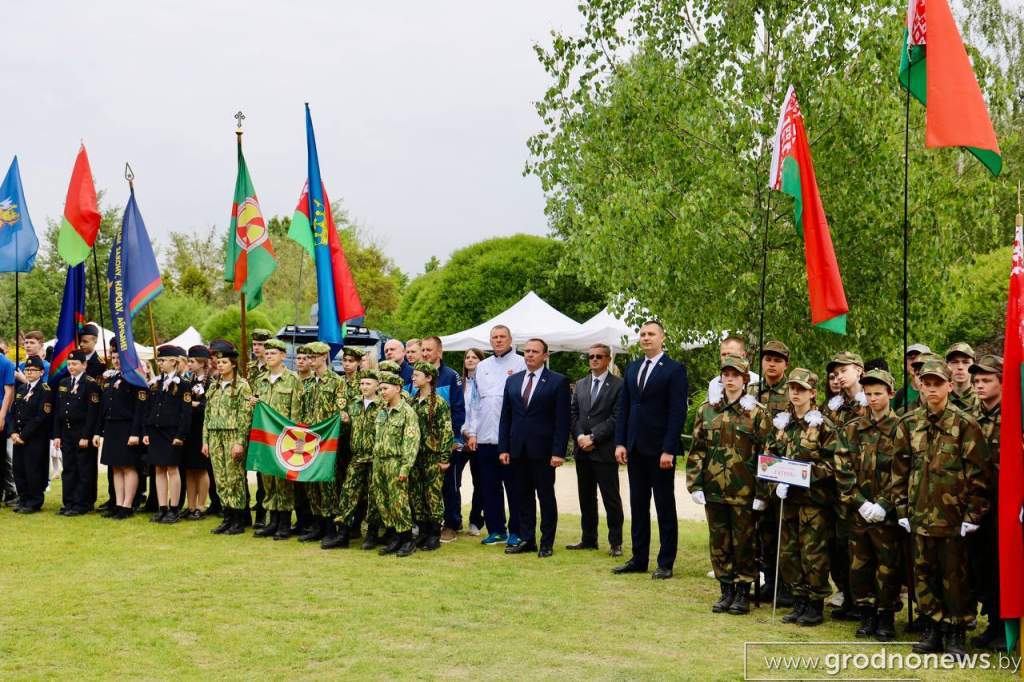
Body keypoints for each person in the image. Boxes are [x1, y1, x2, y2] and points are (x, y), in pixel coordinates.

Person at [898, 359, 989, 656]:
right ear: (920, 387)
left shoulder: (965, 424)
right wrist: (901, 510)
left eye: (938, 383)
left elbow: (979, 473)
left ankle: (956, 632)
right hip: (920, 515)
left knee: (955, 578)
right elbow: (898, 471)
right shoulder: (910, 423)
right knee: (924, 574)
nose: (932, 389)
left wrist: (973, 514)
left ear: (950, 386)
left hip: (953, 518)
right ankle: (932, 628)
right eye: (927, 383)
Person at [686, 354, 770, 614]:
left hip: (744, 492)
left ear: (745, 379)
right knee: (719, 542)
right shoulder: (707, 409)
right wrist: (695, 484)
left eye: (735, 375)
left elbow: (765, 455)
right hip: (714, 489)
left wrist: (762, 492)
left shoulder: (757, 413)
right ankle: (726, 590)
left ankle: (743, 591)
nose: (730, 379)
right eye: (726, 375)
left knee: (744, 543)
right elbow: (697, 450)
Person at [834, 368, 909, 641]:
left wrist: (884, 504)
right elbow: (842, 468)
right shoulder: (854, 427)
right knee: (859, 566)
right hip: (859, 512)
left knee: (887, 567)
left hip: (886, 515)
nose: (873, 398)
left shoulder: (902, 428)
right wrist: (860, 502)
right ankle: (865, 614)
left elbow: (904, 471)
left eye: (879, 393)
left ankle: (885, 616)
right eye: (869, 394)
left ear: (890, 394)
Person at [613, 320, 688, 580]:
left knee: (664, 507)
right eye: (643, 334)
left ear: (662, 338)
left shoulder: (674, 369)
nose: (646, 338)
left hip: (660, 452)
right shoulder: (633, 368)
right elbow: (624, 408)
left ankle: (666, 562)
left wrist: (669, 448)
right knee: (638, 505)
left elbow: (677, 412)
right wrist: (620, 442)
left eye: (651, 334)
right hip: (634, 448)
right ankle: (638, 557)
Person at [771, 368, 839, 627]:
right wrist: (776, 479)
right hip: (787, 501)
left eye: (801, 389)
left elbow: (834, 464)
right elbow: (770, 456)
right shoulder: (782, 424)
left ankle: (815, 603)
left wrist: (803, 475)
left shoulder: (822, 425)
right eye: (792, 388)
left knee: (814, 553)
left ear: (813, 392)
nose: (796, 393)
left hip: (813, 501)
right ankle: (798, 599)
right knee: (789, 553)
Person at [497, 338, 569, 557]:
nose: (529, 355)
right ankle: (527, 539)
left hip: (544, 451)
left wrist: (558, 451)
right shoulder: (513, 381)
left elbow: (562, 420)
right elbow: (506, 418)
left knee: (546, 497)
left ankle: (547, 542)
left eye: (534, 352)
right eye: (526, 351)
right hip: (518, 450)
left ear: (545, 356)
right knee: (522, 497)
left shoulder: (558, 381)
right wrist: (504, 448)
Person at [464, 325, 526, 547]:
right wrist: (471, 431)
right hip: (483, 436)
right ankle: (496, 529)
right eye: (494, 337)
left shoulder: (520, 363)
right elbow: (474, 403)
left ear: (510, 339)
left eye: (502, 337)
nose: (498, 341)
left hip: (508, 438)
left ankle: (517, 530)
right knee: (489, 486)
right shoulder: (483, 366)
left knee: (514, 486)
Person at [822, 351, 867, 622]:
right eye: (835, 372)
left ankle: (865, 603)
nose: (839, 376)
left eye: (844, 370)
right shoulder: (833, 407)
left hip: (862, 488)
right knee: (838, 547)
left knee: (861, 549)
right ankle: (847, 597)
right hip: (834, 489)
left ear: (859, 370)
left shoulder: (870, 401)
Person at [568, 343, 625, 556]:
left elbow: (617, 417)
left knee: (611, 498)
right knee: (586, 497)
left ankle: (615, 542)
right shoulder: (581, 385)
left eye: (599, 356)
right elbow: (573, 413)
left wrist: (594, 437)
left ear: (608, 359)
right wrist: (581, 436)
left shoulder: (619, 385)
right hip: (583, 451)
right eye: (590, 356)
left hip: (604, 450)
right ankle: (588, 538)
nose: (594, 359)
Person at [747, 339, 791, 603]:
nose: (771, 364)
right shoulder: (752, 390)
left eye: (777, 360)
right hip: (754, 465)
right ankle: (768, 580)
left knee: (781, 528)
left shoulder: (792, 391)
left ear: (785, 363)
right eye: (767, 359)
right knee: (761, 530)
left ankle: (785, 585)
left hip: (779, 466)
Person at [968, 354, 1005, 651]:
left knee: (1004, 566)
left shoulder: (1015, 416)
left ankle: (1007, 627)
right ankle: (993, 622)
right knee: (983, 565)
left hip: (1006, 505)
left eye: (986, 380)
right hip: (978, 504)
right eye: (976, 380)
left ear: (1002, 382)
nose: (979, 385)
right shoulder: (971, 416)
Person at [249, 338, 303, 540]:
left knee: (283, 481)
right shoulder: (260, 380)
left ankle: (284, 523)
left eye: (273, 353)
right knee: (267, 479)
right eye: (267, 353)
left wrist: (295, 440)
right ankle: (272, 520)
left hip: (284, 439)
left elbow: (296, 412)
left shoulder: (293, 380)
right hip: (264, 438)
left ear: (283, 356)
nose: (269, 356)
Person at [204, 341, 254, 536]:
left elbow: (245, 415)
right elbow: (207, 415)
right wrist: (205, 440)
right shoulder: (214, 386)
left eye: (224, 361)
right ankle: (227, 516)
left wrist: (240, 441)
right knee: (221, 479)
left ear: (233, 364)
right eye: (218, 362)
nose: (220, 365)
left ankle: (239, 518)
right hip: (215, 435)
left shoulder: (242, 386)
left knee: (235, 478)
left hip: (233, 435)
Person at [418, 336, 466, 543]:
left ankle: (452, 524)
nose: (426, 353)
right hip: (421, 445)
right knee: (424, 486)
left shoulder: (450, 376)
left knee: (449, 485)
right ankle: (427, 524)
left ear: (440, 352)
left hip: (445, 443)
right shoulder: (417, 375)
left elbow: (458, 410)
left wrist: (452, 439)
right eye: (424, 350)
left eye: (430, 350)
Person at [300, 342, 346, 547]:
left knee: (328, 485)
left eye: (313, 358)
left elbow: (341, 409)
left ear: (323, 357)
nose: (309, 361)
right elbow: (301, 411)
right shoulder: (307, 383)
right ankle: (317, 524)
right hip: (309, 440)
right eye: (308, 357)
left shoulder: (337, 382)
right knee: (311, 483)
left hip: (327, 441)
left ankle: (330, 527)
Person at [372, 371, 421, 557]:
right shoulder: (382, 410)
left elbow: (411, 442)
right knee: (383, 502)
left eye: (385, 388)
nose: (382, 392)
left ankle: (407, 538)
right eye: (380, 389)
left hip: (396, 462)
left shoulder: (407, 412)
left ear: (398, 388)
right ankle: (394, 537)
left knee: (399, 502)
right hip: (379, 462)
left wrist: (405, 468)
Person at [94, 344, 146, 520]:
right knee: (115, 467)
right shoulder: (110, 377)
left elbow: (140, 408)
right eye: (114, 358)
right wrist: (98, 431)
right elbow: (103, 406)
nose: (116, 361)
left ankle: (128, 505)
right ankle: (118, 503)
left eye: (119, 358)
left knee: (128, 466)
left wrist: (135, 433)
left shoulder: (134, 378)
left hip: (127, 426)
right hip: (111, 426)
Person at [333, 369, 382, 549]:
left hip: (375, 458)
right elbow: (346, 431)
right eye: (362, 383)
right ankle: (343, 533)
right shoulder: (353, 404)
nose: (364, 387)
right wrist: (344, 423)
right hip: (357, 457)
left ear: (377, 385)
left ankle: (372, 534)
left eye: (368, 383)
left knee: (373, 496)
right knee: (348, 493)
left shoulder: (383, 405)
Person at [143, 346, 193, 524]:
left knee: (172, 469)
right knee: (158, 469)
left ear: (173, 361)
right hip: (156, 432)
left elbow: (185, 413)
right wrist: (147, 431)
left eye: (163, 360)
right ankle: (162, 507)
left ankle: (174, 508)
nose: (160, 364)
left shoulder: (183, 384)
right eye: (159, 361)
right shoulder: (156, 383)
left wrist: (180, 435)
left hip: (171, 433)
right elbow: (150, 409)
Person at [409, 361, 454, 551]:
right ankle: (424, 531)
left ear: (429, 378)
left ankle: (435, 533)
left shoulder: (439, 403)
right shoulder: (412, 400)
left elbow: (446, 432)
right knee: (417, 495)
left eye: (417, 375)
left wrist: (444, 458)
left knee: (432, 495)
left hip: (432, 456)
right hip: (415, 456)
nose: (413, 377)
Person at [53, 350, 102, 516]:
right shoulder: (64, 383)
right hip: (66, 432)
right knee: (69, 468)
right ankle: (69, 502)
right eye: (69, 364)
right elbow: (58, 411)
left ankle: (83, 502)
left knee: (84, 468)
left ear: (84, 365)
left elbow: (92, 413)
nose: (71, 367)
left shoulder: (91, 384)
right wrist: (57, 435)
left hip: (82, 433)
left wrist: (86, 436)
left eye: (74, 364)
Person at [9, 357, 52, 513]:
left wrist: (23, 435)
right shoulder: (21, 389)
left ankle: (34, 501)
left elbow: (41, 417)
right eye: (27, 370)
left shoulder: (45, 390)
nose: (29, 373)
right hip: (18, 436)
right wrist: (13, 432)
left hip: (34, 437)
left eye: (32, 370)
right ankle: (24, 498)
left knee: (33, 469)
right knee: (19, 469)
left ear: (41, 372)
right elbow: (13, 413)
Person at [180, 345, 212, 520]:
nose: (189, 364)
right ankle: (190, 505)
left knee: (200, 469)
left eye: (192, 361)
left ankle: (201, 505)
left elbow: (210, 406)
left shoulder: (210, 382)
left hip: (202, 428)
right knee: (188, 469)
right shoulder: (188, 381)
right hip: (189, 428)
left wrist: (193, 404)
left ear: (201, 362)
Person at [459, 348, 487, 536]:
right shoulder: (460, 384)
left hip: (480, 438)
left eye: (474, 357)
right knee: (453, 481)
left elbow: (483, 411)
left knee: (481, 482)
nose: (470, 360)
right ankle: (453, 518)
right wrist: (465, 433)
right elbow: (457, 411)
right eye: (467, 357)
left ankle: (476, 520)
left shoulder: (486, 384)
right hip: (461, 437)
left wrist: (474, 434)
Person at [0, 341, 16, 507]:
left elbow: (9, 392)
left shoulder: (5, 363)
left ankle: (10, 490)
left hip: (0, 412)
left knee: (2, 456)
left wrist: (2, 416)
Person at [893, 343, 930, 412]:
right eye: (911, 358)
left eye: (919, 357)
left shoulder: (942, 392)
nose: (914, 362)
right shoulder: (899, 395)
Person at [945, 343, 978, 412]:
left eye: (966, 362)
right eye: (954, 362)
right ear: (947, 366)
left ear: (973, 366)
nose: (960, 367)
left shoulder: (983, 400)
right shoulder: (938, 399)